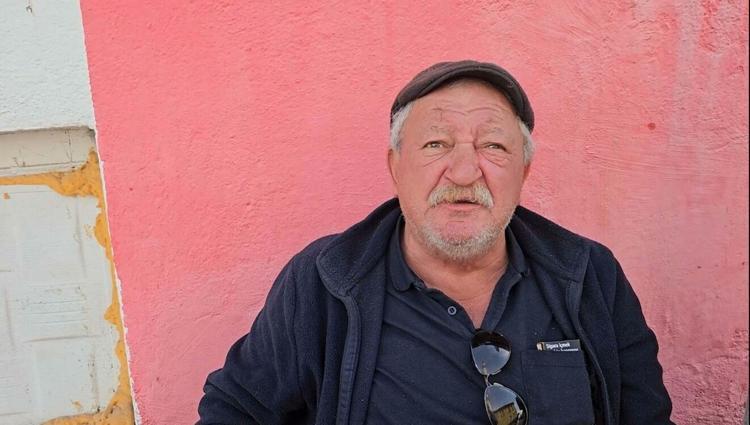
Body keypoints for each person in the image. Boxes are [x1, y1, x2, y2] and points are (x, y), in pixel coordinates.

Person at [197, 60, 674, 425]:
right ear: (395, 167)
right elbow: (236, 409)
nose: (464, 172)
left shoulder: (590, 275)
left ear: (523, 172)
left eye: (493, 146)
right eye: (436, 144)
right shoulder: (324, 280)